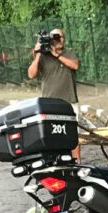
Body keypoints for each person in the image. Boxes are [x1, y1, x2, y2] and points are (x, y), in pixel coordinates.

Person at [27, 28, 81, 162]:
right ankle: (54, 161)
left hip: (69, 101)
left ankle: (77, 162)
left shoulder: (69, 53)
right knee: (51, 134)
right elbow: (31, 74)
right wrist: (38, 54)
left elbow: (75, 66)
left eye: (60, 37)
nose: (58, 40)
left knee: (73, 136)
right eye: (55, 38)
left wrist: (57, 55)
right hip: (49, 104)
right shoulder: (43, 57)